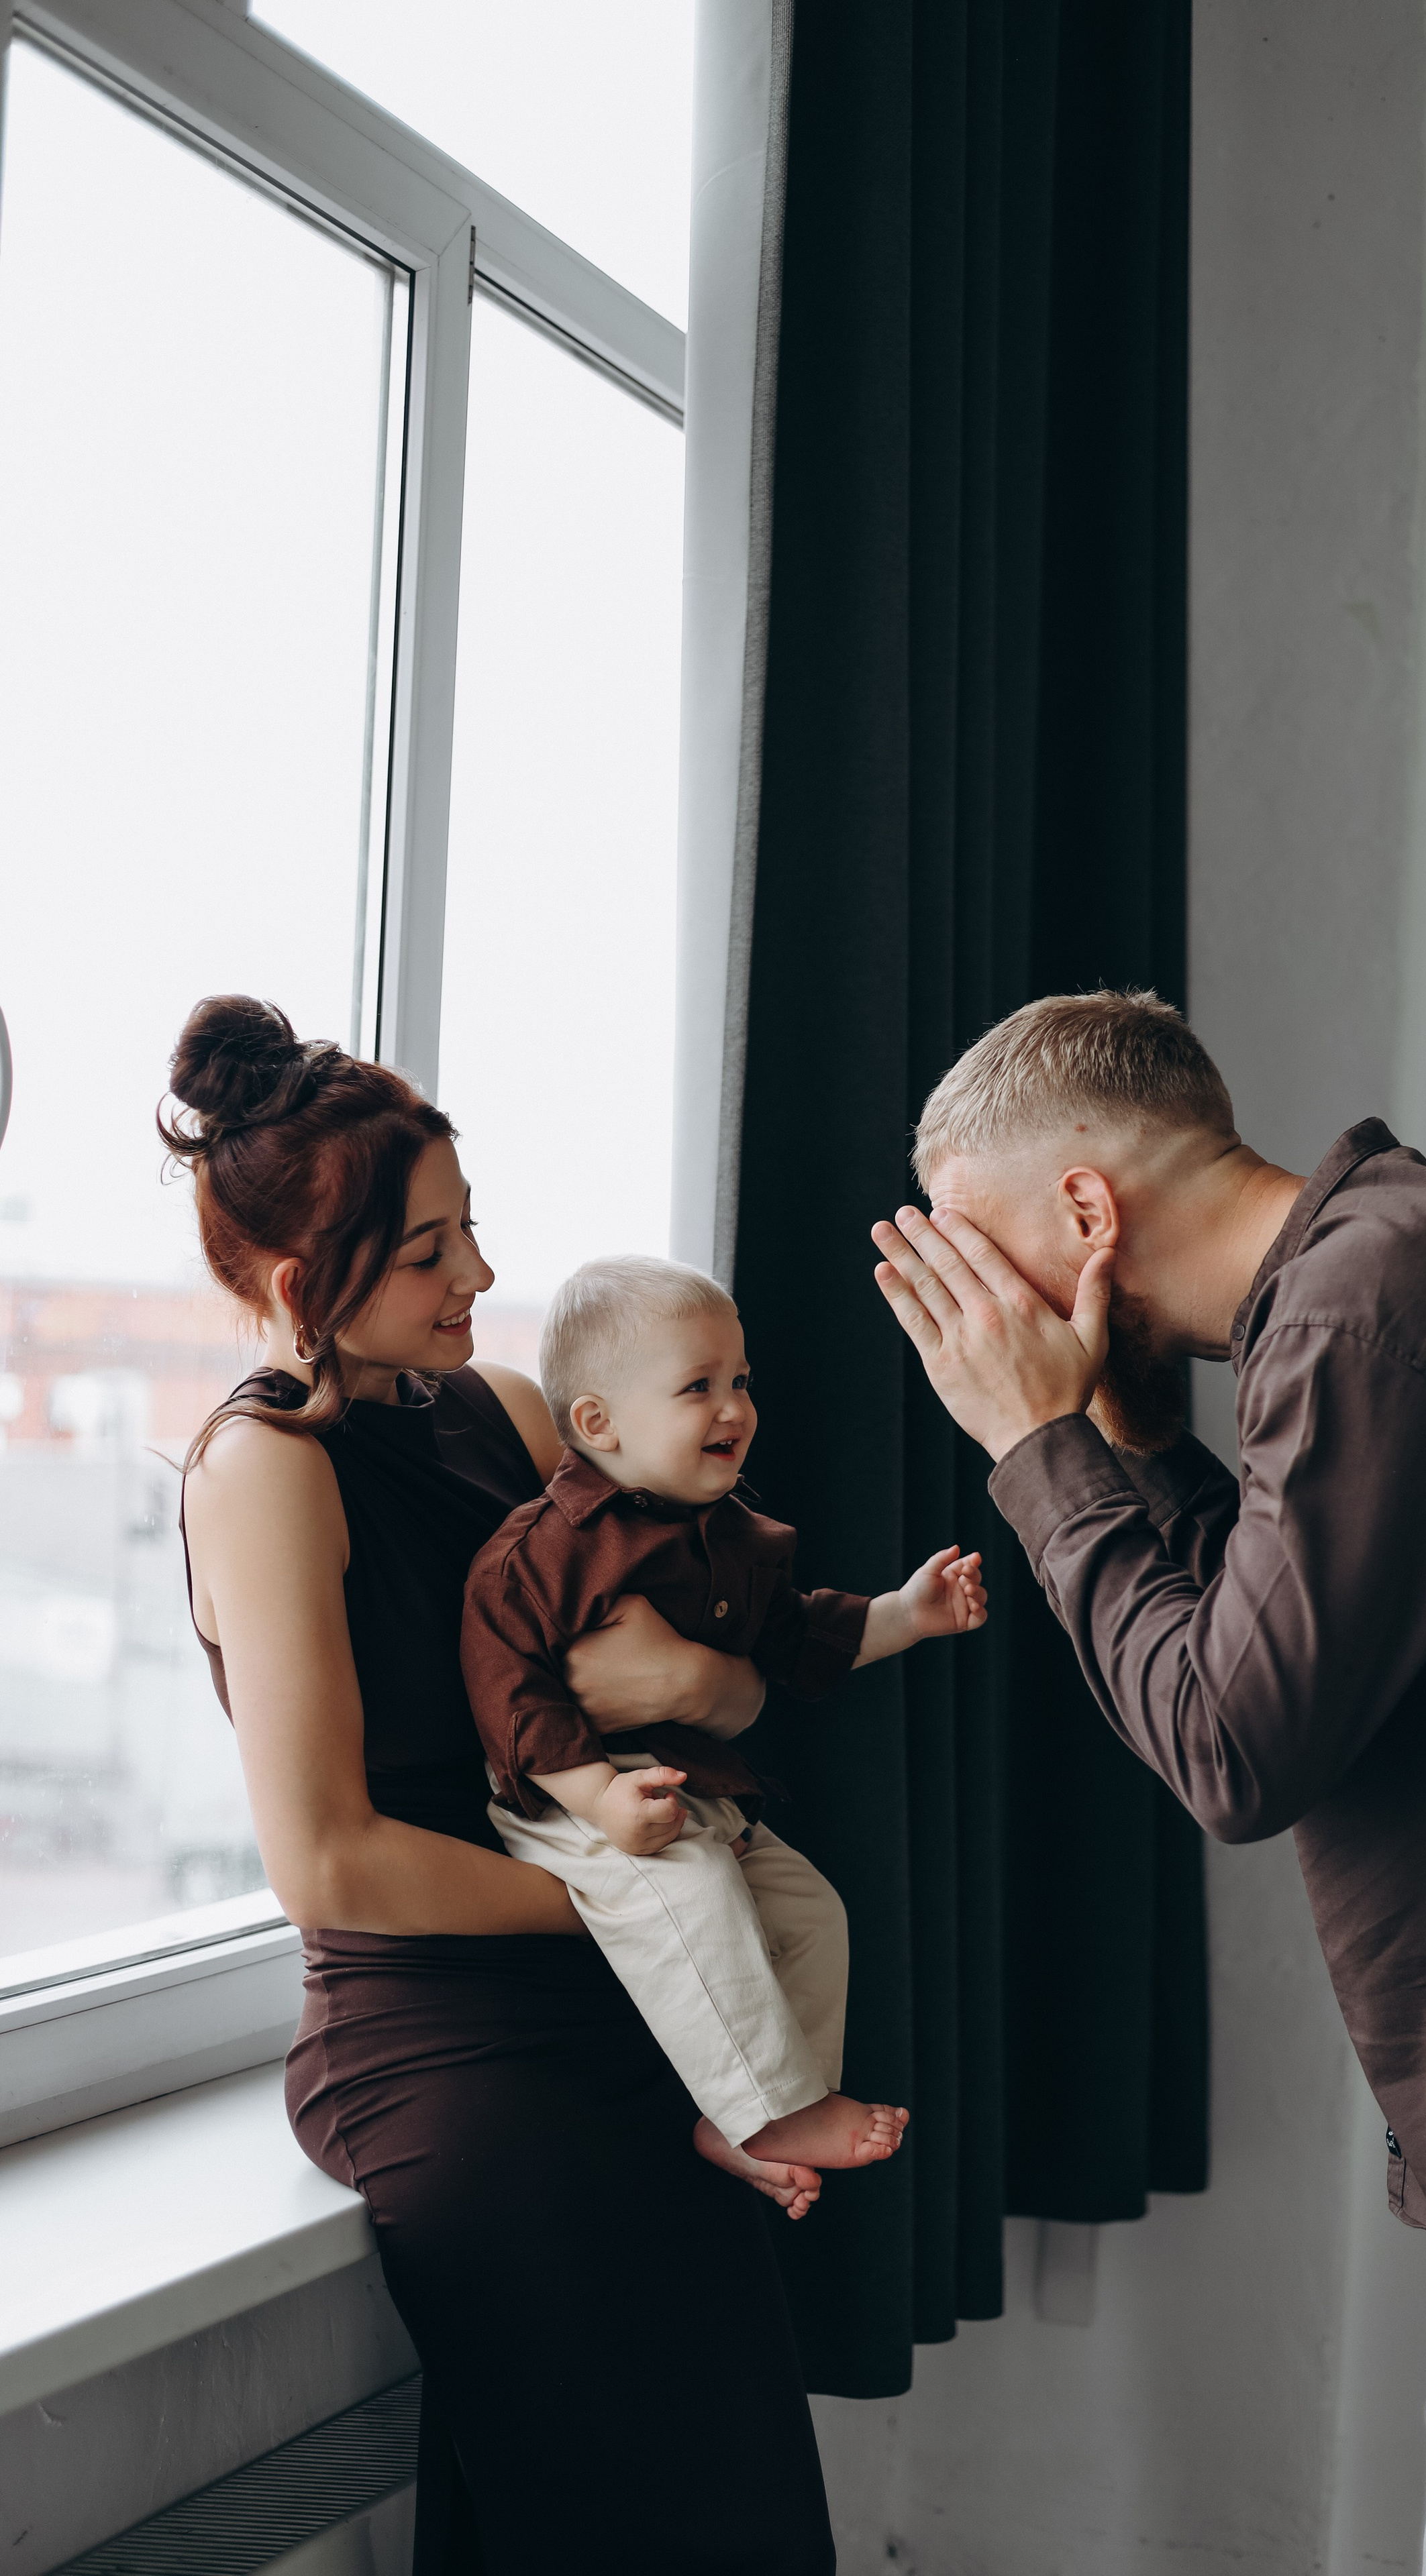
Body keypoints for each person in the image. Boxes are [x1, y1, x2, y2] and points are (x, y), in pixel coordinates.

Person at [870, 987, 1426, 2576]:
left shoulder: (1360, 1305)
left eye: (979, 1258)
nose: (978, 1316)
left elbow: (1230, 1743)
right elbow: (1288, 1639)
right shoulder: (1395, 1262)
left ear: (1085, 1210)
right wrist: (1123, 1434)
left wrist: (1035, 1447)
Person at [168, 995, 837, 2576]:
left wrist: (705, 1695)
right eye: (428, 1252)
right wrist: (640, 1897)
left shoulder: (510, 1415)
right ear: (299, 1286)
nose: (477, 1275)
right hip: (440, 2033)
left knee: (734, 2509)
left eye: (470, 1229)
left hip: (629, 1983)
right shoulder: (263, 1472)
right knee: (625, 2516)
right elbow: (332, 1863)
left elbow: (706, 1669)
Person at [460, 1252, 985, 2200]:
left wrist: (906, 1616)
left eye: (740, 1381)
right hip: (571, 1799)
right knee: (695, 1890)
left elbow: (798, 1639)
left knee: (812, 1911)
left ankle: (762, 2113)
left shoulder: (732, 1533)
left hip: (693, 1788)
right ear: (598, 1423)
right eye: (698, 1387)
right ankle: (770, 2111)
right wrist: (601, 1798)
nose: (735, 1408)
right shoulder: (542, 1552)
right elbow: (511, 1696)